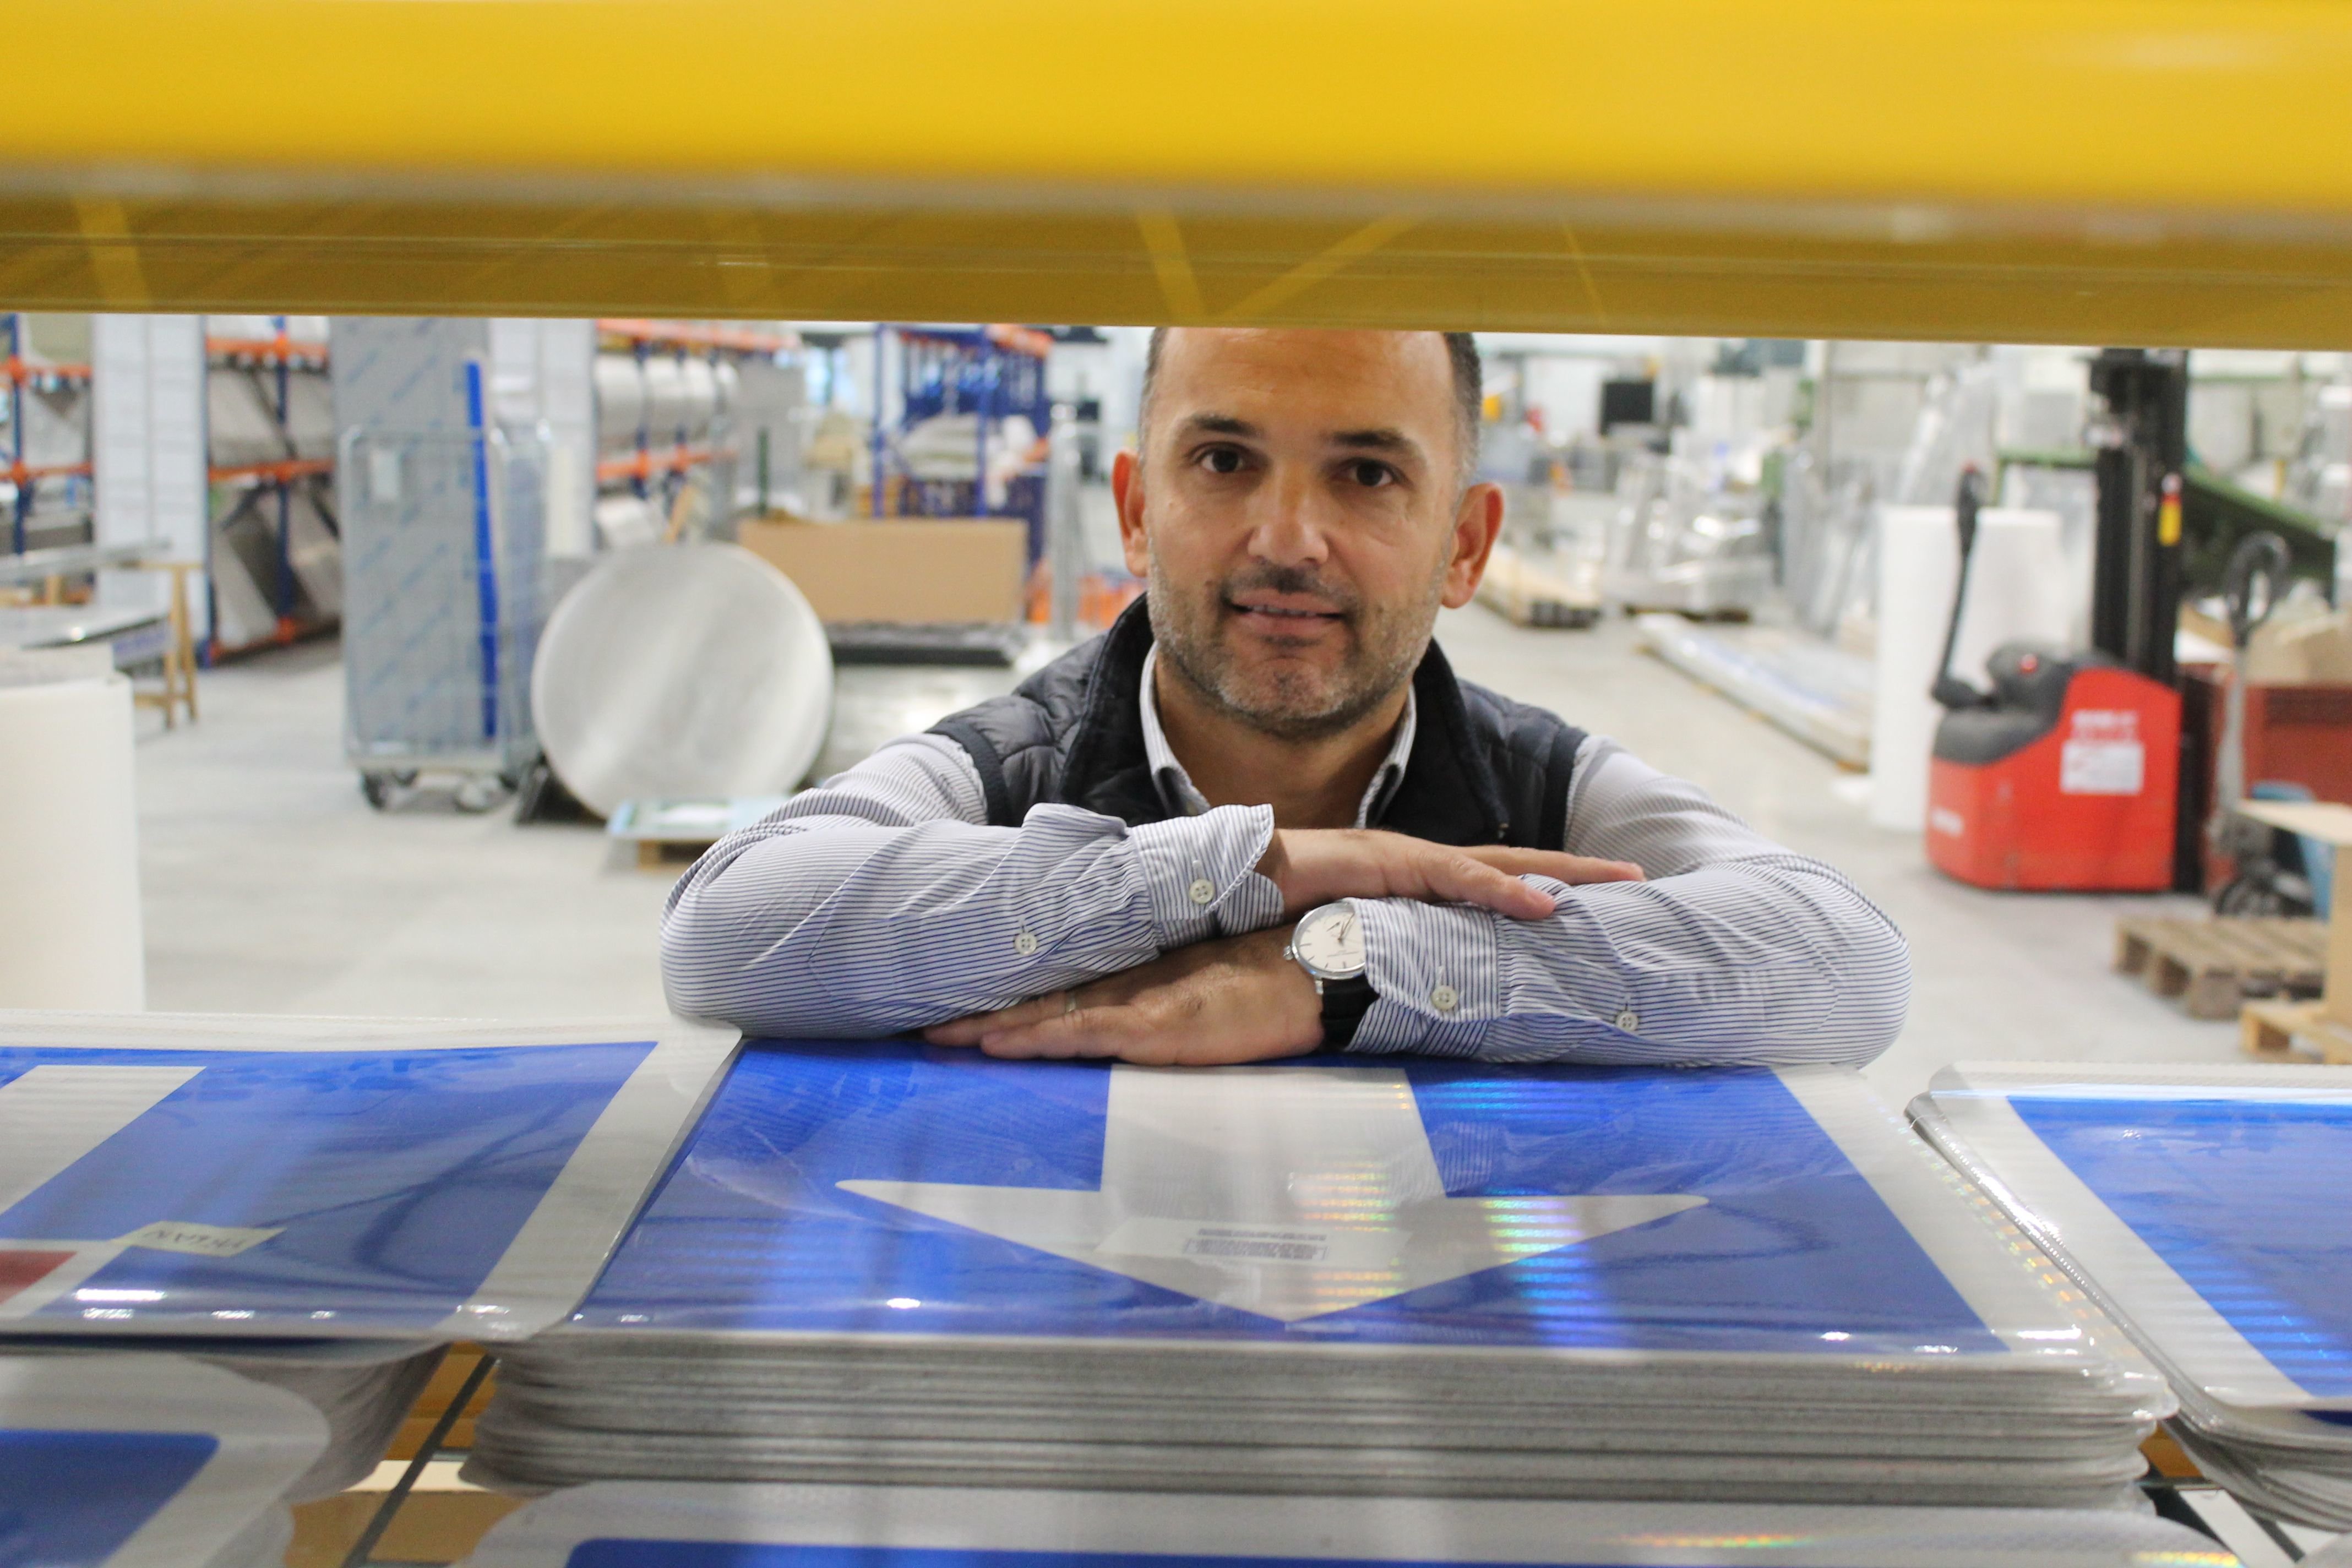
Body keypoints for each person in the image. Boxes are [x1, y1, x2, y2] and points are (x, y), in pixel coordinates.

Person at [662, 328, 1908, 1068]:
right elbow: (724, 931)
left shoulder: (1545, 788)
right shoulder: (1008, 767)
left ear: (1466, 544)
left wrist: (1353, 969)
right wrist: (1249, 868)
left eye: (1367, 472)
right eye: (1224, 460)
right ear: (1138, 509)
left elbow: (1846, 963)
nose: (1289, 538)